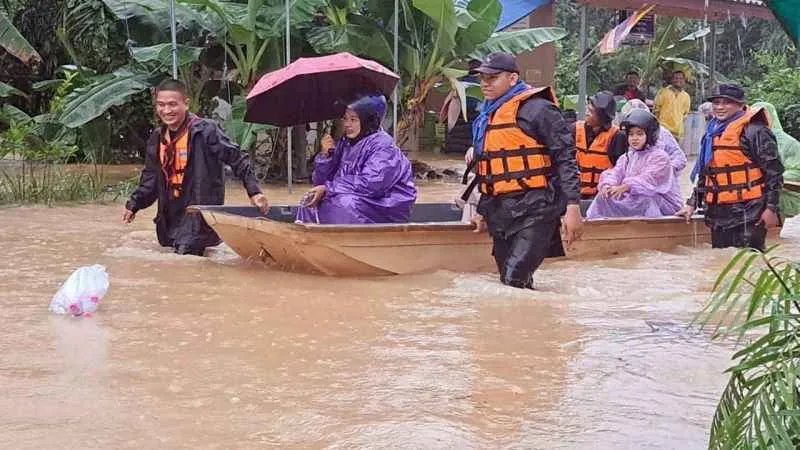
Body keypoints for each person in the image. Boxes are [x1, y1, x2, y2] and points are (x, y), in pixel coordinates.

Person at [465, 52, 583, 289]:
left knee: (513, 279)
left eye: (493, 78)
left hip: (537, 206)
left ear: (512, 78)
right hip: (500, 209)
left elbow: (565, 159)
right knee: (508, 279)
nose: (485, 84)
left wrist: (573, 208)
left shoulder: (539, 110)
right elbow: (490, 169)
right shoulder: (488, 116)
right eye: (482, 79)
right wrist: (481, 210)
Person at [123, 79, 268, 256]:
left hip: (197, 212)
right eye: (161, 105)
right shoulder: (157, 137)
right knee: (174, 259)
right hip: (170, 213)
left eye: (172, 105)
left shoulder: (206, 130)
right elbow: (151, 178)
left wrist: (254, 192)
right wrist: (134, 204)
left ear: (186, 103)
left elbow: (237, 158)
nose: (166, 111)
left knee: (186, 256)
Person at [676, 84, 784, 251]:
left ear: (740, 105)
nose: (719, 107)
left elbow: (774, 173)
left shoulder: (755, 131)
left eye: (727, 103)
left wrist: (771, 208)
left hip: (750, 210)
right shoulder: (711, 134)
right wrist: (691, 204)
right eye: (716, 103)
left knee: (749, 262)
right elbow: (707, 174)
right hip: (719, 213)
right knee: (720, 263)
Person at [296, 93, 416, 224]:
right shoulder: (346, 142)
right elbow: (320, 182)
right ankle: (308, 240)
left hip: (384, 205)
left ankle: (342, 241)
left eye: (353, 119)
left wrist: (328, 189)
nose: (347, 124)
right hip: (354, 197)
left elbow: (372, 184)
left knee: (343, 204)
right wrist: (325, 156)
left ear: (368, 120)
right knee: (309, 201)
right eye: (345, 119)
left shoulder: (383, 146)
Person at [586, 109, 683, 218]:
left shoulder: (660, 157)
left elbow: (649, 180)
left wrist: (627, 186)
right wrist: (607, 185)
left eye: (639, 134)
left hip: (665, 207)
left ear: (650, 135)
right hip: (637, 199)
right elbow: (615, 173)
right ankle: (598, 229)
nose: (634, 138)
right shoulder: (628, 157)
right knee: (603, 197)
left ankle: (642, 232)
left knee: (643, 200)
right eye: (631, 134)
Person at [575, 90, 628, 199]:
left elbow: (621, 169)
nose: (586, 113)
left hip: (602, 196)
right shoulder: (575, 130)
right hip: (576, 194)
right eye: (587, 109)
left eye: (591, 111)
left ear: (602, 116)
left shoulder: (617, 137)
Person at [621, 98, 688, 182]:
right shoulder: (626, 137)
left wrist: (662, 171)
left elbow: (680, 158)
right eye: (631, 132)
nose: (635, 136)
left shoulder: (662, 133)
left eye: (639, 133)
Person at [654, 70, 691, 141]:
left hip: (677, 133)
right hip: (663, 130)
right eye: (676, 78)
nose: (678, 80)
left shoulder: (686, 96)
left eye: (681, 78)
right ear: (672, 80)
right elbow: (656, 111)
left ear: (684, 80)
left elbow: (685, 114)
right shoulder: (663, 92)